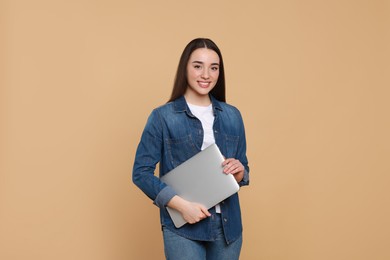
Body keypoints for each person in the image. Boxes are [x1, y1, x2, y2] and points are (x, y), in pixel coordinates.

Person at [132, 38, 250, 260]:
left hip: (228, 229)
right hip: (184, 229)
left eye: (213, 68)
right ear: (185, 68)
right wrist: (182, 206)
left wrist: (240, 171)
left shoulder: (233, 116)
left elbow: (243, 169)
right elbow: (140, 173)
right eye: (198, 66)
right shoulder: (162, 117)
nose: (206, 74)